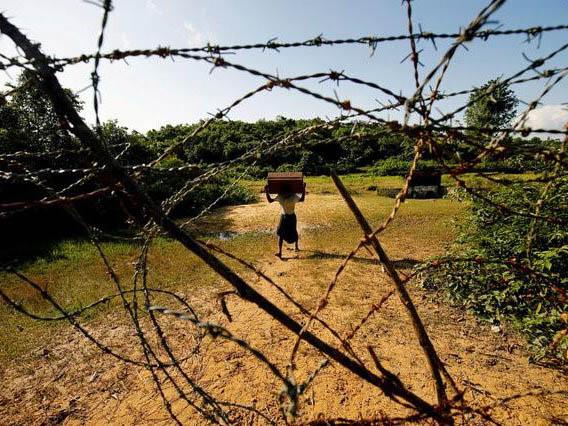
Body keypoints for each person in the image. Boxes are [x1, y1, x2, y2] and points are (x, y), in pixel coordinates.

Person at [265, 182, 306, 258]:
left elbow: (270, 200)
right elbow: (302, 199)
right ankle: (281, 252)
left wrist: (266, 191)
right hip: (288, 217)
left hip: (287, 217)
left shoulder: (283, 196)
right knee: (282, 233)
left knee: (290, 231)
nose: (286, 193)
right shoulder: (290, 196)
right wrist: (303, 188)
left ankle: (295, 247)